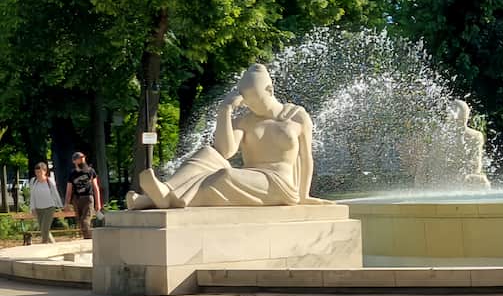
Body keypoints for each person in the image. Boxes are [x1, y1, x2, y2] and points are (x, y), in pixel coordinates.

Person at [126, 63, 329, 209]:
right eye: (247, 101)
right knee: (207, 153)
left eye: (256, 100)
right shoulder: (245, 121)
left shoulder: (296, 116)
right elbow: (225, 151)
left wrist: (304, 196)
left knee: (225, 176)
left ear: (270, 90)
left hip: (280, 185)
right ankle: (162, 193)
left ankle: (162, 199)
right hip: (252, 178)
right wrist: (225, 111)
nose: (251, 106)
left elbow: (306, 157)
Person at [64, 151, 101, 239]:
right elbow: (69, 190)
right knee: (80, 222)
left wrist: (98, 203)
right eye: (80, 159)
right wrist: (67, 203)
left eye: (83, 158)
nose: (82, 160)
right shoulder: (72, 174)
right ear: (74, 161)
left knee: (85, 220)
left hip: (88, 198)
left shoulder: (90, 171)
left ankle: (90, 239)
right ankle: (88, 238)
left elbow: (96, 187)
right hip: (77, 200)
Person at [27, 162, 62, 244]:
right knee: (43, 229)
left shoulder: (50, 181)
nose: (38, 174)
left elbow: (55, 194)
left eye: (40, 172)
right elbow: (32, 195)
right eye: (36, 172)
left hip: (49, 207)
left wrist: (60, 206)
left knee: (45, 228)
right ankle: (53, 244)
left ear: (45, 171)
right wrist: (32, 208)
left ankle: (44, 243)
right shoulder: (33, 181)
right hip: (39, 208)